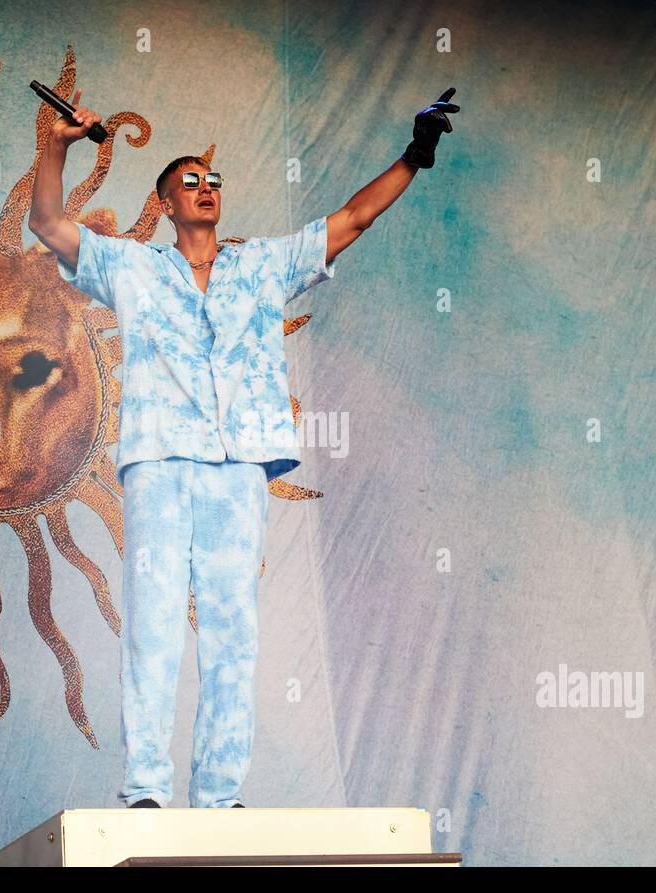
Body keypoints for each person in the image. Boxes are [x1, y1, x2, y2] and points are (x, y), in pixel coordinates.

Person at [28, 86, 459, 809]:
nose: (205, 188)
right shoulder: (133, 268)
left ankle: (221, 794)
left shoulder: (263, 265)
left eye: (212, 181)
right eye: (188, 182)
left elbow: (355, 217)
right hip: (162, 464)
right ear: (164, 204)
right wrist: (57, 144)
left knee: (234, 633)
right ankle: (145, 791)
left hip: (237, 471)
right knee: (154, 628)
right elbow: (46, 222)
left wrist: (413, 156)